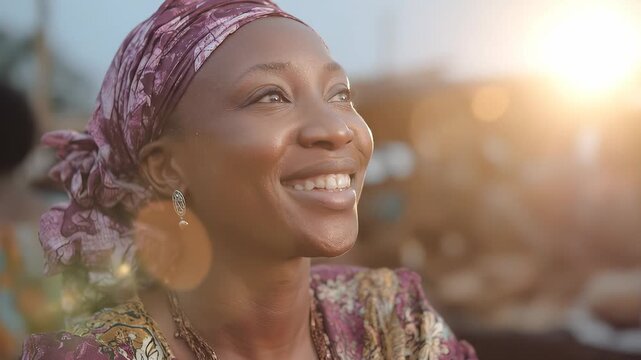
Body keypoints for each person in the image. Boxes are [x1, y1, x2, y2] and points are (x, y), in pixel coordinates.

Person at [21, 1, 477, 359]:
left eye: (340, 94)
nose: (338, 129)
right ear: (167, 169)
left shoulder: (393, 321)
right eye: (271, 96)